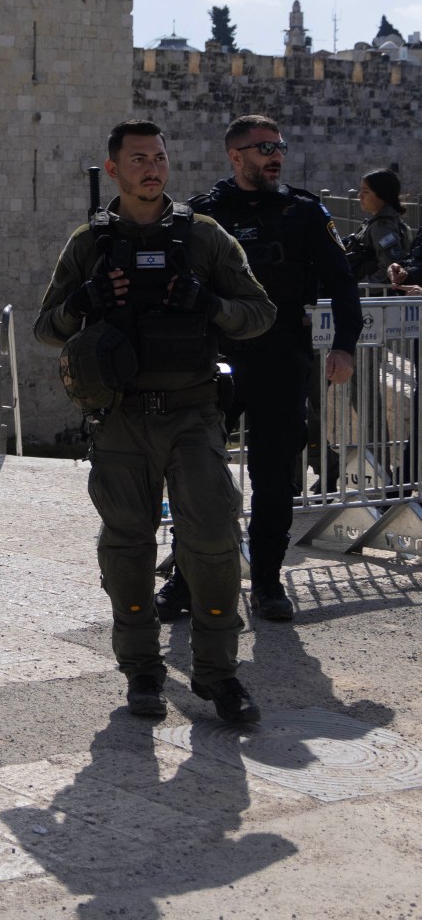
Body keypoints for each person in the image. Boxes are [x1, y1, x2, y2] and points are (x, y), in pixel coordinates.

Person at [35, 120, 275, 724]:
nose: (153, 168)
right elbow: (47, 328)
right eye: (139, 159)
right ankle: (141, 670)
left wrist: (208, 304)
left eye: (160, 158)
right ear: (112, 168)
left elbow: (260, 314)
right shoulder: (88, 243)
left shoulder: (204, 238)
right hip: (120, 419)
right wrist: (85, 300)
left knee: (214, 544)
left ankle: (219, 676)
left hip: (193, 412)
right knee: (127, 550)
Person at [157, 116, 362, 626]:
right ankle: (184, 583)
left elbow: (342, 281)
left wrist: (344, 346)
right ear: (235, 156)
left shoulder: (304, 212)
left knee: (274, 479)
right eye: (264, 147)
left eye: (280, 146)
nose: (276, 155)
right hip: (215, 359)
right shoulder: (203, 215)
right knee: (197, 475)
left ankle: (269, 585)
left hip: (281, 359)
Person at [346, 169, 411, 285]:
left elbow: (390, 271)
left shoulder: (382, 228)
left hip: (374, 297)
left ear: (382, 195)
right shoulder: (379, 222)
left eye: (365, 192)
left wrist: (359, 289)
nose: (360, 196)